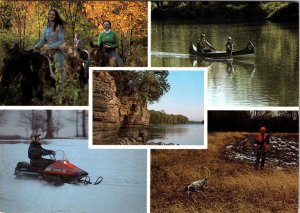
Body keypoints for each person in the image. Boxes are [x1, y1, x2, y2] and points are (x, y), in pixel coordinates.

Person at [35, 9, 66, 86]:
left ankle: (60, 88)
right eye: (50, 14)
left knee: (58, 69)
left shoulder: (59, 27)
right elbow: (43, 39)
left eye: (53, 14)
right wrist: (36, 46)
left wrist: (50, 46)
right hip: (47, 52)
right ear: (48, 15)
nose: (51, 16)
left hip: (58, 51)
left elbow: (61, 41)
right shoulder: (46, 27)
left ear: (56, 17)